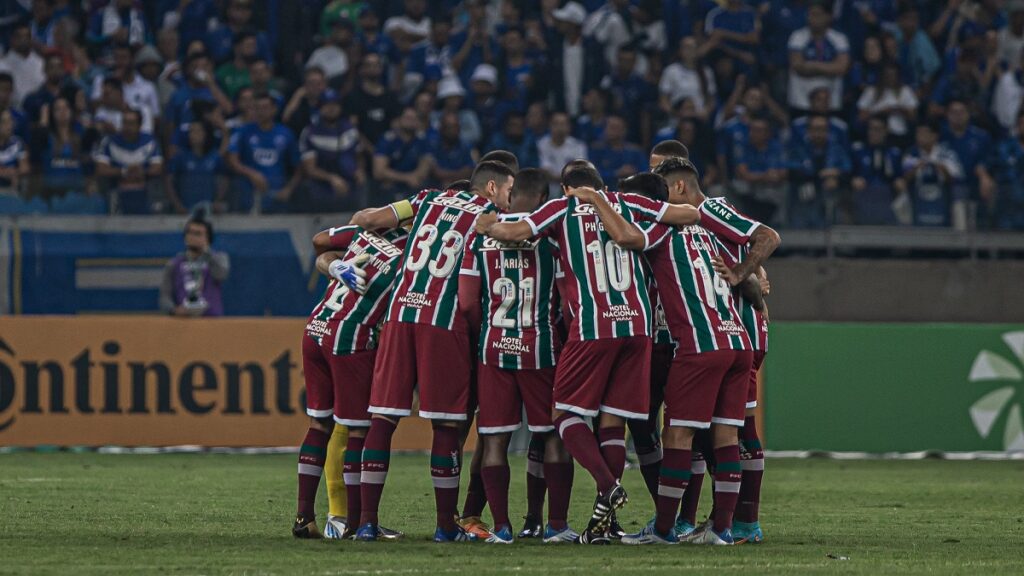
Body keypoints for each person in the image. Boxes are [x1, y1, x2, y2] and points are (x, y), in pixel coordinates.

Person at [476, 162, 700, 544]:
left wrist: (488, 226)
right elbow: (690, 213)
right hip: (638, 326)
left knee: (563, 414)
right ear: (599, 184)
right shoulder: (624, 202)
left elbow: (514, 231)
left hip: (594, 325)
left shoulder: (562, 208)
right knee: (613, 422)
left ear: (566, 188)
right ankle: (604, 525)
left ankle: (607, 484)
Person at [348, 161, 514, 543]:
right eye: (507, 191)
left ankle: (367, 523)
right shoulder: (490, 216)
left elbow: (370, 219)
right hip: (445, 321)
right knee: (446, 425)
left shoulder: (426, 198)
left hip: (400, 314)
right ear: (491, 188)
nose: (508, 199)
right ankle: (444, 526)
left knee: (383, 419)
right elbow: (474, 293)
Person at [457, 167, 576, 544]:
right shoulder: (553, 238)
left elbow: (466, 302)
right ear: (544, 199)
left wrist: (485, 332)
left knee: (494, 440)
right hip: (540, 348)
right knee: (554, 436)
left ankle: (503, 527)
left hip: (494, 347)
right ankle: (556, 525)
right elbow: (568, 300)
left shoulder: (480, 236)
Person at [293, 220, 411, 541]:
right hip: (350, 337)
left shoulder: (364, 234)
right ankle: (359, 524)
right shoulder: (412, 257)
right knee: (358, 430)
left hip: (316, 327)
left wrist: (335, 267)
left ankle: (304, 516)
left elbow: (320, 248)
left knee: (320, 425)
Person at [225, 93, 300, 214]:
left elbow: (298, 166)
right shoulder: (244, 131)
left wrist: (289, 189)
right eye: (258, 108)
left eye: (265, 108)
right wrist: (251, 174)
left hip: (277, 194)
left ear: (274, 109)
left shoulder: (286, 134)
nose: (261, 111)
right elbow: (232, 160)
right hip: (248, 193)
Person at [297, 89, 363, 213]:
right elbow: (309, 169)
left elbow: (359, 156)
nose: (331, 108)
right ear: (320, 108)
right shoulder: (311, 132)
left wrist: (359, 170)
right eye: (327, 105)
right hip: (321, 191)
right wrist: (332, 178)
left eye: (335, 104)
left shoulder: (349, 129)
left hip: (350, 188)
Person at [93, 108, 162, 214]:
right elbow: (101, 169)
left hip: (145, 192)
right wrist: (124, 171)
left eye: (131, 123)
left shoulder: (150, 141)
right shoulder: (109, 141)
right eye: (124, 122)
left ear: (139, 125)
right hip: (116, 191)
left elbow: (157, 168)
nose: (127, 127)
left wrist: (142, 172)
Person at [159, 215, 230, 317]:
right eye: (189, 232)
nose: (192, 237)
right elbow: (164, 295)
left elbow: (221, 275)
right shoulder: (174, 263)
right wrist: (173, 310)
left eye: (198, 234)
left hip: (212, 320)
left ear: (208, 238)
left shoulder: (219, 258)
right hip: (184, 321)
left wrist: (206, 252)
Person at [786, 1, 849, 113]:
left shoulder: (839, 39)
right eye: (810, 14)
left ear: (828, 17)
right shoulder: (797, 36)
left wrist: (811, 65)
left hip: (831, 100)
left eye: (817, 15)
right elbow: (798, 66)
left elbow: (841, 68)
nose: (812, 18)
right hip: (800, 99)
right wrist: (829, 68)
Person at [901, 121, 962, 228]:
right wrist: (916, 168)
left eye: (924, 133)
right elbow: (905, 178)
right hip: (917, 197)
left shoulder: (947, 153)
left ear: (934, 136)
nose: (920, 137)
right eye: (918, 133)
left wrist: (940, 168)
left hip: (943, 198)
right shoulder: (911, 154)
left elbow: (955, 178)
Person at [372, 107, 433, 203]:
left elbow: (426, 163)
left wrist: (416, 176)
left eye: (414, 119)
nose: (410, 122)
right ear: (399, 120)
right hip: (391, 185)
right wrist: (406, 178)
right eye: (407, 118)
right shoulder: (388, 140)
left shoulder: (422, 139)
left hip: (414, 185)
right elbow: (379, 172)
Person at [165, 120, 225, 214]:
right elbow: (169, 181)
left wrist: (217, 201)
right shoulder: (180, 157)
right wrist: (177, 205)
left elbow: (223, 180)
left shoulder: (215, 157)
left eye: (197, 131)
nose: (193, 135)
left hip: (208, 210)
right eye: (191, 131)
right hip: (185, 210)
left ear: (206, 134)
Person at [537, 112, 587, 198]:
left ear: (569, 127)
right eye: (556, 124)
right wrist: (565, 178)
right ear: (550, 125)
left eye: (563, 124)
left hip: (571, 192)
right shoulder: (541, 144)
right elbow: (544, 170)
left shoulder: (578, 146)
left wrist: (556, 178)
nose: (559, 127)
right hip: (546, 192)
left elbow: (580, 171)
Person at [0, 24, 44, 107]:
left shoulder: (40, 62)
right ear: (12, 39)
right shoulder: (2, 65)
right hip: (12, 110)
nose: (23, 40)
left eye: (27, 36)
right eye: (19, 36)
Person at [0, 108, 29, 194]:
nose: (9, 125)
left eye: (11, 120)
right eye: (4, 122)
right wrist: (4, 172)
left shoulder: (18, 142)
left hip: (11, 191)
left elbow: (25, 168)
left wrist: (14, 172)